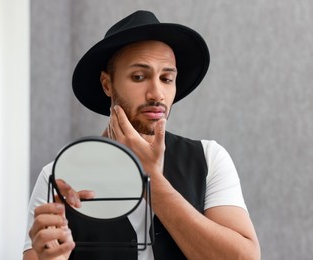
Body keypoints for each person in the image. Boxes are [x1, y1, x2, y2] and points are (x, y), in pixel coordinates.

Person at [23, 10, 261, 260]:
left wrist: (152, 182)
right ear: (107, 84)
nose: (157, 93)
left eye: (167, 78)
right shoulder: (56, 178)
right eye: (139, 76)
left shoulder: (209, 159)